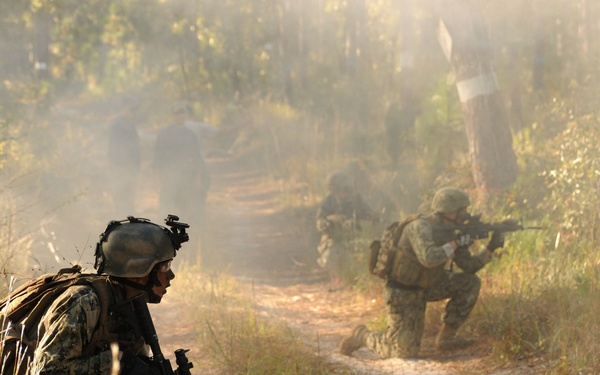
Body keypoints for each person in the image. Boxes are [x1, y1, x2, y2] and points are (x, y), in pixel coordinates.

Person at [340, 186, 505, 358]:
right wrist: (456, 243)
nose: (465, 214)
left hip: (429, 284)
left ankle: (446, 338)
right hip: (403, 292)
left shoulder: (453, 231)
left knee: (470, 282)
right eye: (462, 211)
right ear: (448, 211)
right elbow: (429, 258)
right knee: (402, 352)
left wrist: (490, 248)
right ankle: (363, 336)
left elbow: (469, 266)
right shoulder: (419, 227)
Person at [31, 215, 189, 374]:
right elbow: (47, 370)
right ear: (139, 272)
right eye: (165, 267)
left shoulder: (131, 307)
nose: (171, 276)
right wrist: (116, 362)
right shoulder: (85, 303)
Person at [154, 102, 204, 262]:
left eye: (182, 113)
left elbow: (196, 157)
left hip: (186, 180)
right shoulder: (164, 134)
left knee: (185, 213)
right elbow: (158, 158)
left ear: (185, 115)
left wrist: (197, 177)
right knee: (167, 213)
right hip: (169, 180)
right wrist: (158, 179)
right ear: (172, 115)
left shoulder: (191, 135)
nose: (180, 116)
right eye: (177, 113)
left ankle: (185, 250)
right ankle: (164, 248)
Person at [316, 170, 375, 291]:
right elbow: (319, 223)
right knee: (329, 257)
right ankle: (337, 281)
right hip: (335, 240)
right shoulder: (328, 202)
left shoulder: (359, 199)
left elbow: (372, 216)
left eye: (343, 189)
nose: (341, 193)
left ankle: (361, 283)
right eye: (337, 189)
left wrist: (355, 222)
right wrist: (330, 220)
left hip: (358, 237)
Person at [107, 96, 141, 215]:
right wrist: (119, 168)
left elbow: (135, 149)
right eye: (131, 110)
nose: (133, 113)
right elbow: (113, 149)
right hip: (121, 169)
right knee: (121, 199)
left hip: (129, 169)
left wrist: (135, 167)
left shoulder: (130, 125)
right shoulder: (118, 125)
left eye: (135, 110)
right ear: (124, 109)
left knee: (129, 199)